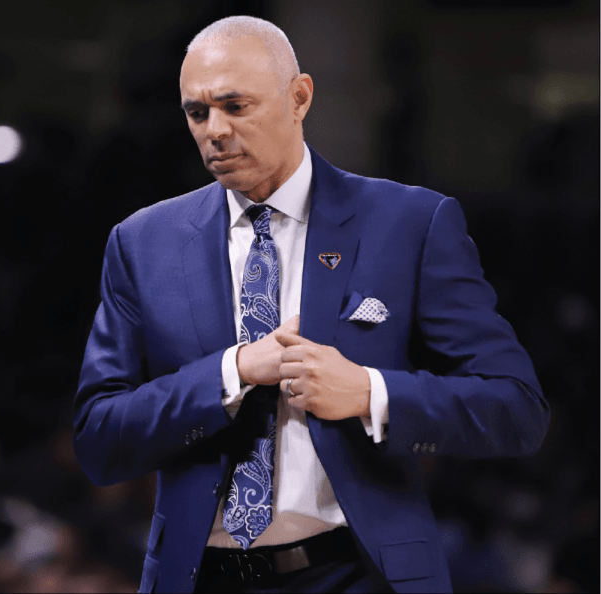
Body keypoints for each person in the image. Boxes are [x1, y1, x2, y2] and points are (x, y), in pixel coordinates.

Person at [73, 15, 549, 594]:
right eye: (197, 113)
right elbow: (98, 439)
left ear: (299, 97)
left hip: (357, 575)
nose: (213, 131)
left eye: (235, 106)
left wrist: (370, 394)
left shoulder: (410, 224)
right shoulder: (141, 242)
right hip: (199, 579)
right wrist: (235, 371)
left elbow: (517, 410)